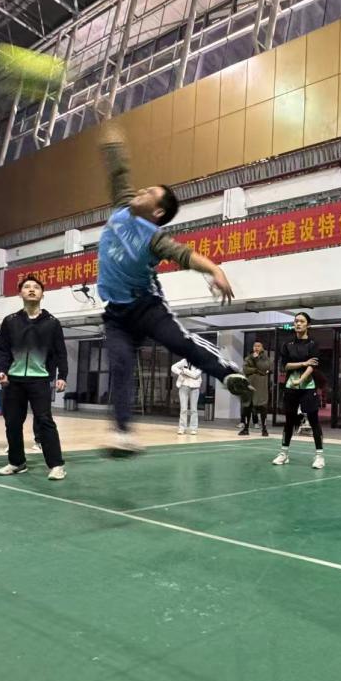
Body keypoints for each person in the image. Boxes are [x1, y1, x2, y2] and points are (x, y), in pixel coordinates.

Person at [94, 111, 251, 454]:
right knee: (120, 365)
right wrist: (111, 134)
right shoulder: (122, 206)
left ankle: (227, 373)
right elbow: (118, 170)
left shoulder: (154, 237)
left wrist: (215, 269)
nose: (141, 190)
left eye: (150, 192)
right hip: (116, 314)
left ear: (158, 212)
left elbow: (184, 255)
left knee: (180, 342)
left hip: (147, 307)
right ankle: (123, 433)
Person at [0, 276, 68, 480]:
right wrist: (2, 370)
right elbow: (3, 350)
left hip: (40, 380)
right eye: (27, 287)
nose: (31, 290)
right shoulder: (10, 321)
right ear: (20, 293)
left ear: (42, 294)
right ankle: (17, 462)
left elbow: (60, 352)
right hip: (14, 380)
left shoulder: (52, 323)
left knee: (45, 421)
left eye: (36, 287)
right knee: (12, 422)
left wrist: (62, 375)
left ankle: (56, 465)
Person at [272, 313, 325, 469]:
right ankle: (284, 453)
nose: (298, 324)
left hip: (308, 387)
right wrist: (303, 363)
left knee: (314, 421)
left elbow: (312, 365)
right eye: (296, 321)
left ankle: (319, 456)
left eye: (302, 321)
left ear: (308, 325)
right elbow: (285, 366)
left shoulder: (313, 344)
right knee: (289, 421)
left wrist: (301, 380)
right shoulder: (287, 344)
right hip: (291, 387)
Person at [241, 341, 271, 436]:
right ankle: (246, 429)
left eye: (258, 346)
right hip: (250, 385)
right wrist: (256, 370)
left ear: (262, 348)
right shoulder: (248, 358)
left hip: (261, 387)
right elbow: (245, 369)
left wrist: (256, 359)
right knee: (247, 407)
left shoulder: (266, 358)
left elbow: (265, 367)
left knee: (263, 407)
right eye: (255, 346)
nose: (256, 348)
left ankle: (264, 429)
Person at [172, 358, 202, 435]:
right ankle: (182, 428)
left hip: (195, 387)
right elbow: (173, 367)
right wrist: (180, 372)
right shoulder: (184, 361)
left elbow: (195, 375)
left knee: (193, 409)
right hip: (183, 385)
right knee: (183, 409)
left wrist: (184, 371)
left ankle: (193, 428)